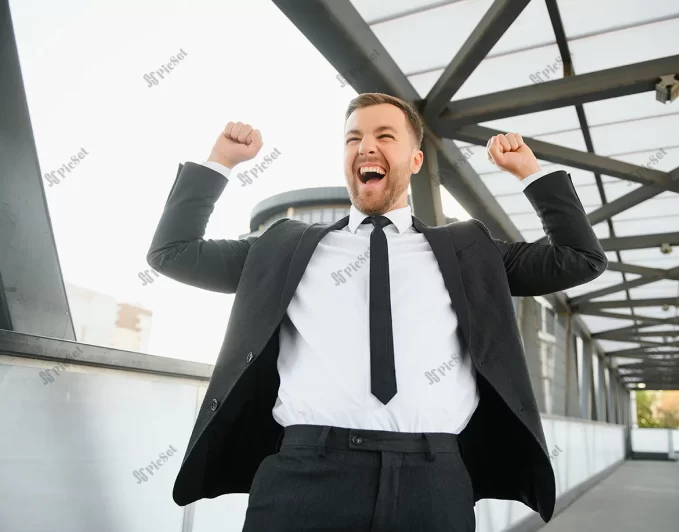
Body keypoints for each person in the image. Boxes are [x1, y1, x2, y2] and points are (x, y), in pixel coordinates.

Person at [147, 92, 607, 531]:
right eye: (353, 138)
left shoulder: (469, 250)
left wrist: (529, 171)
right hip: (303, 478)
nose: (366, 145)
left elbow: (579, 259)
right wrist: (219, 161)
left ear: (415, 160)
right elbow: (173, 252)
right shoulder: (284, 247)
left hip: (433, 482)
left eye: (385, 136)